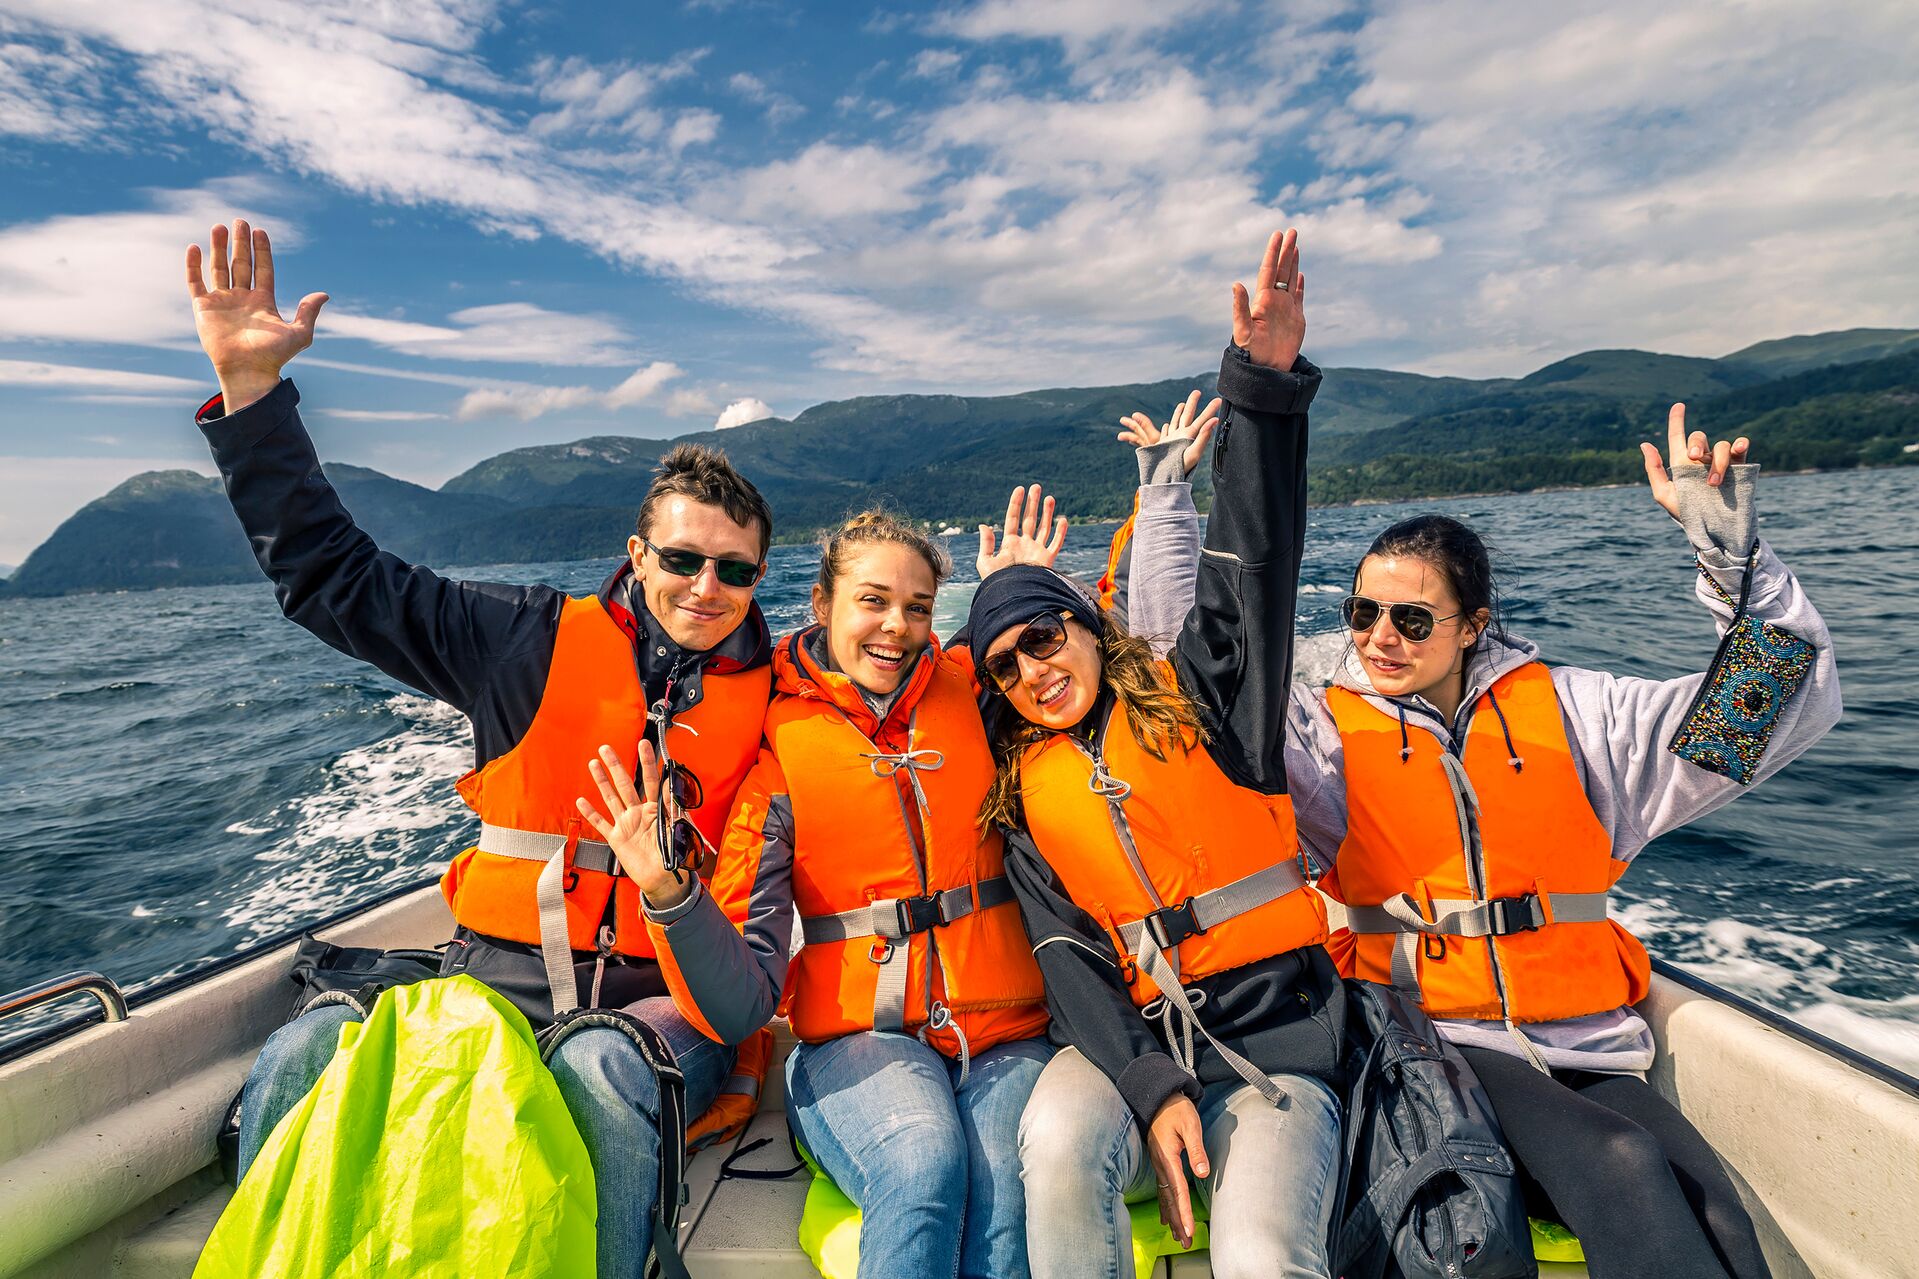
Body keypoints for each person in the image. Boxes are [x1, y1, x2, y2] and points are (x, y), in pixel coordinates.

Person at [1125, 391, 1841, 1276]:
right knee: (1622, 1165)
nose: (1380, 638)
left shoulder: (1579, 718)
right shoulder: (1322, 736)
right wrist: (1165, 496)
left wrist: (1735, 561)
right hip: (1427, 1041)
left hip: (1589, 1042)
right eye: (1362, 615)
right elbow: (1181, 676)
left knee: (1722, 1219)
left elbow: (1775, 703)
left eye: (1413, 619)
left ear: (1473, 626)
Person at [185, 219, 776, 1279]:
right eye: (683, 559)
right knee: (306, 1047)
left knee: (601, 1066)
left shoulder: (779, 690)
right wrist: (252, 399)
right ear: (636, 554)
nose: (707, 589)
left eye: (735, 573)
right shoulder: (521, 638)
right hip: (492, 976)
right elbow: (334, 578)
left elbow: (907, 671)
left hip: (652, 998)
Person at [974, 229, 1345, 1279]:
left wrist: (1261, 390)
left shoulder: (1208, 697)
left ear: (1088, 624)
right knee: (1053, 1146)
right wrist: (1148, 1083)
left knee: (1261, 1257)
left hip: (1279, 1040)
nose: (1033, 670)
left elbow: (1251, 567)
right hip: (1136, 1045)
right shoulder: (1028, 795)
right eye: (1005, 666)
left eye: (1043, 636)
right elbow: (1065, 957)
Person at [581, 497, 1070, 1278]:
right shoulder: (780, 754)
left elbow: (1074, 663)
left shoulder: (974, 691)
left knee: (1006, 1193)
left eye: (916, 608)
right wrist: (668, 890)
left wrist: (1020, 586)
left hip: (1005, 1033)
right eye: (872, 601)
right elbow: (742, 1002)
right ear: (822, 603)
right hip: (855, 1045)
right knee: (922, 1164)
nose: (896, 627)